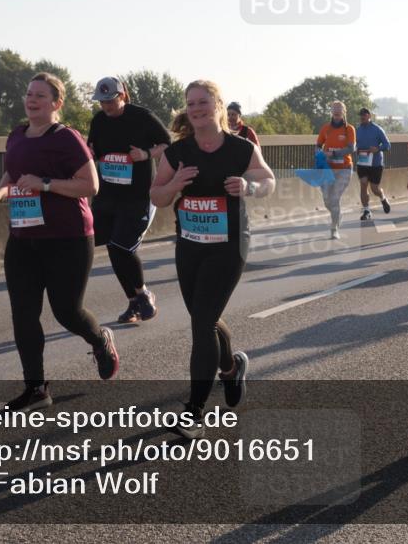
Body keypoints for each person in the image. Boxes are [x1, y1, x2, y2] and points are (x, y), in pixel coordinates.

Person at [0, 73, 119, 412]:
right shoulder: (16, 136)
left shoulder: (67, 138)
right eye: (29, 94)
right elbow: (13, 175)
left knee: (67, 312)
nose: (31, 100)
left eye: (40, 96)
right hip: (23, 237)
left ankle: (99, 338)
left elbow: (91, 185)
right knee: (24, 315)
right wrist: (0, 192)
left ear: (56, 103)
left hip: (68, 237)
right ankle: (37, 388)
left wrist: (45, 184)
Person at [151, 80, 275, 439]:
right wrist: (175, 185)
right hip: (189, 246)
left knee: (201, 323)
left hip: (228, 246)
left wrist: (249, 187)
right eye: (191, 103)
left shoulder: (241, 148)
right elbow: (156, 196)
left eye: (203, 102)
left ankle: (194, 412)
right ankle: (231, 367)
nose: (197, 108)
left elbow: (268, 181)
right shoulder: (177, 153)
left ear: (218, 106)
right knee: (203, 318)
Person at [87, 76, 171, 324]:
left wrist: (145, 154)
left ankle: (143, 294)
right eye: (101, 102)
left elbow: (168, 143)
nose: (106, 107)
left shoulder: (142, 116)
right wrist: (89, 152)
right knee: (111, 245)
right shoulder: (99, 120)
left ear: (122, 96)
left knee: (123, 244)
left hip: (138, 195)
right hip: (108, 195)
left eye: (110, 101)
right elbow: (93, 149)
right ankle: (135, 301)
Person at [316, 101, 356, 239]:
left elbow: (351, 148)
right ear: (331, 112)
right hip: (328, 169)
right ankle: (337, 213)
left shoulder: (349, 129)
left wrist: (333, 154)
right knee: (327, 200)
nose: (337, 111)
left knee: (334, 198)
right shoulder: (325, 128)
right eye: (334, 109)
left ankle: (334, 228)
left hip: (344, 169)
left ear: (344, 112)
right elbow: (318, 145)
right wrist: (321, 155)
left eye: (340, 109)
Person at [355, 107, 392, 220]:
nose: (362, 117)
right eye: (361, 115)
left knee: (374, 188)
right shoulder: (358, 130)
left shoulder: (377, 129)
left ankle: (383, 198)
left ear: (369, 116)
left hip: (375, 163)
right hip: (362, 162)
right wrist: (356, 149)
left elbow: (387, 145)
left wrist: (377, 149)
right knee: (363, 183)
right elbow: (354, 144)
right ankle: (366, 211)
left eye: (364, 115)